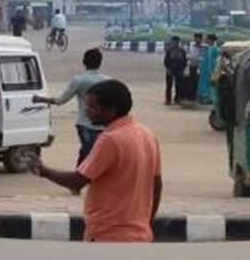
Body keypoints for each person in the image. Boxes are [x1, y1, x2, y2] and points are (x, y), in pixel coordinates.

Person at [29, 79, 162, 242]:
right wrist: (147, 223)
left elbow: (78, 181)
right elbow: (156, 185)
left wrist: (43, 170)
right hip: (140, 234)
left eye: (93, 107)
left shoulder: (110, 140)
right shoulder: (147, 134)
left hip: (108, 234)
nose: (86, 111)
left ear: (111, 110)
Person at [33, 47, 111, 165]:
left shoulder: (79, 80)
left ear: (84, 62)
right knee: (98, 154)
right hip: (105, 125)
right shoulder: (108, 81)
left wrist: (40, 99)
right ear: (100, 62)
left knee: (87, 152)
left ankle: (80, 175)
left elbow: (60, 100)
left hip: (85, 123)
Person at [163, 35, 186, 105]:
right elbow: (166, 61)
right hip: (170, 70)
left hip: (179, 71)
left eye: (176, 42)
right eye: (174, 42)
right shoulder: (169, 51)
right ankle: (168, 100)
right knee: (169, 86)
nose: (175, 43)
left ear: (179, 42)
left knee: (178, 86)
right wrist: (168, 69)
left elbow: (184, 61)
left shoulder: (182, 51)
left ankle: (177, 99)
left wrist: (182, 69)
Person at [196, 34, 219, 104]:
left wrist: (210, 70)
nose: (205, 40)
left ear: (210, 40)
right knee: (205, 83)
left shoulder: (212, 48)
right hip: (205, 69)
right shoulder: (211, 48)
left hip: (208, 70)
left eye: (207, 39)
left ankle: (207, 99)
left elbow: (211, 60)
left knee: (206, 85)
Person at [187, 32, 203, 101]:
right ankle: (191, 96)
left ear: (200, 39)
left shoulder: (203, 47)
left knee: (197, 82)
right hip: (192, 65)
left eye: (198, 38)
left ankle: (197, 96)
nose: (196, 39)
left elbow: (202, 57)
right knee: (191, 81)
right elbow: (189, 54)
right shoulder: (191, 45)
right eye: (195, 38)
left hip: (199, 66)